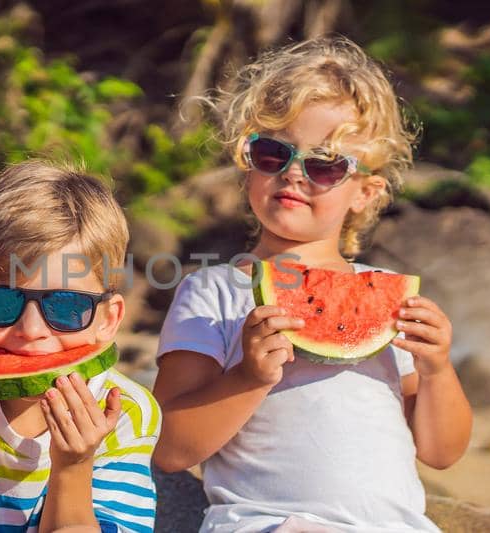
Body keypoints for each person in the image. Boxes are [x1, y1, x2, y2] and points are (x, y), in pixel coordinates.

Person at [151, 36, 473, 532]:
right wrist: (249, 377)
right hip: (270, 524)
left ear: (366, 192)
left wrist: (437, 370)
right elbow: (171, 448)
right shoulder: (213, 292)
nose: (293, 174)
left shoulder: (389, 296)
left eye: (325, 165)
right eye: (272, 153)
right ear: (248, 163)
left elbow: (441, 452)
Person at [0, 160, 159, 532]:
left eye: (66, 306)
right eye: (2, 302)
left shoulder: (125, 413)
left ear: (109, 320)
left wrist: (74, 466)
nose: (31, 330)